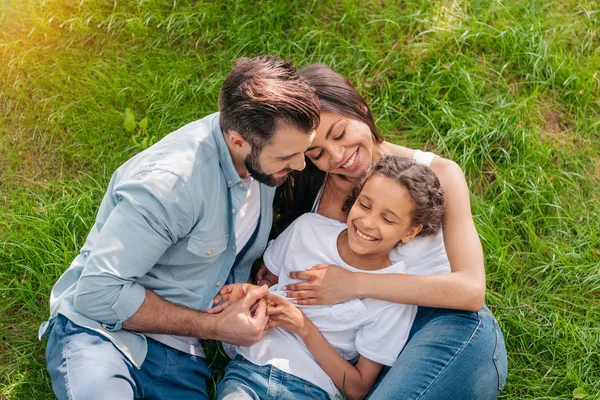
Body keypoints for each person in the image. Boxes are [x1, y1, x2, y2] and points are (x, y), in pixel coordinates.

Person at [38, 55, 321, 400]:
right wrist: (216, 327)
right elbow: (98, 294)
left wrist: (241, 293)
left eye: (302, 151)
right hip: (99, 333)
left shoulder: (262, 160)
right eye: (286, 156)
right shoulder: (172, 185)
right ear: (238, 141)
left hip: (179, 353)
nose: (300, 164)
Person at [260, 63, 508, 399]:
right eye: (316, 152)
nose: (337, 156)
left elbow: (471, 290)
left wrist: (354, 283)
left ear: (360, 108)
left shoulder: (441, 174)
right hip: (365, 354)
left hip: (444, 326)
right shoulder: (315, 198)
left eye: (340, 134)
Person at [212, 155, 448, 400]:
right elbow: (269, 280)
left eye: (387, 219)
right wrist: (253, 294)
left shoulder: (394, 295)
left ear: (410, 232)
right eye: (364, 205)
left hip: (308, 387)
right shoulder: (307, 229)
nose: (367, 223)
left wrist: (303, 327)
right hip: (250, 366)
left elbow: (357, 388)